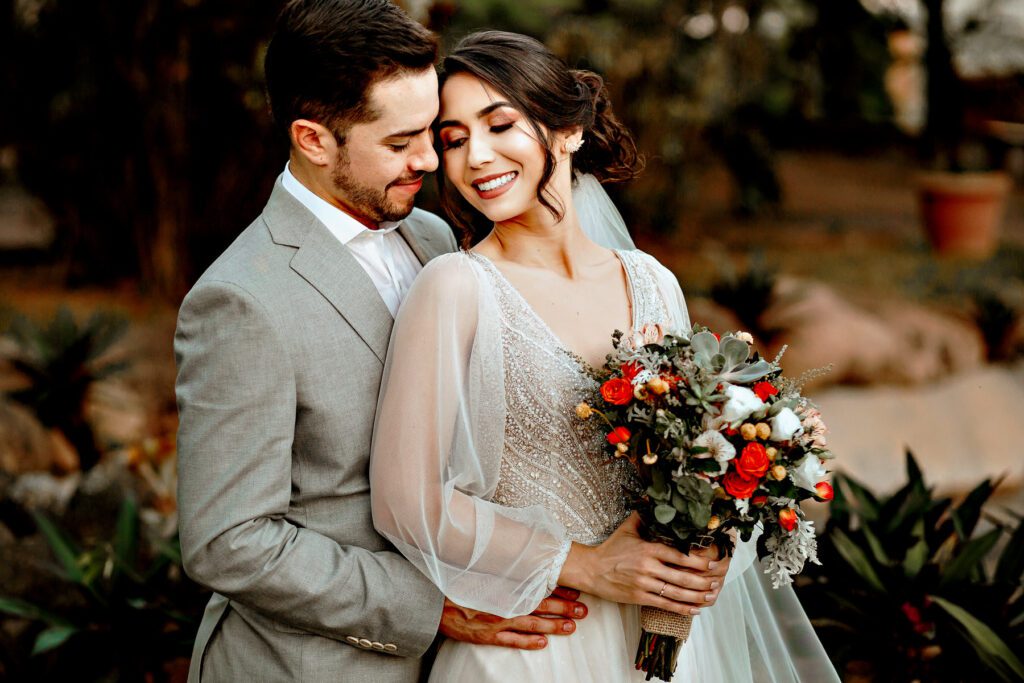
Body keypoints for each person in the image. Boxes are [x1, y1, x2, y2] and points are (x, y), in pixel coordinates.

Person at [370, 31, 840, 681]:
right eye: (452, 139)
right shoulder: (455, 288)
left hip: (659, 641)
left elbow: (700, 458)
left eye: (499, 123)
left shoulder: (651, 281)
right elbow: (403, 500)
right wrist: (584, 563)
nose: (476, 155)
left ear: (567, 132)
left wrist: (711, 542)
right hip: (534, 646)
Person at [174, 5, 594, 681]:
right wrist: (428, 606)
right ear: (314, 139)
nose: (431, 160)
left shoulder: (432, 238)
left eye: (432, 131)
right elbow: (229, 541)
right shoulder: (242, 301)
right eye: (401, 143)